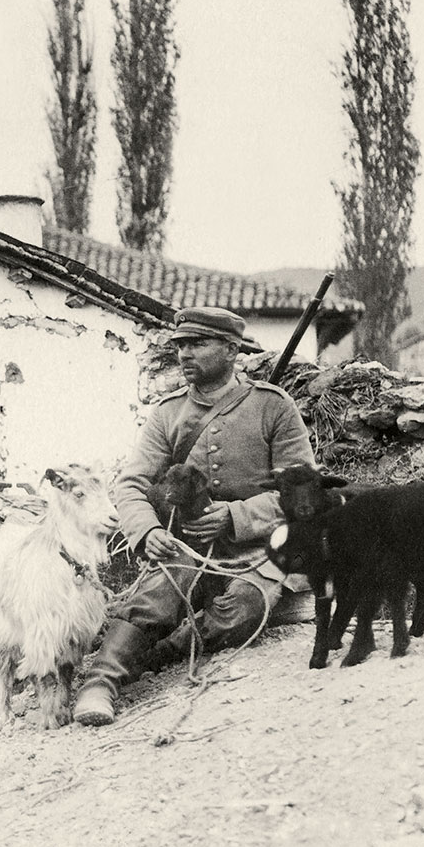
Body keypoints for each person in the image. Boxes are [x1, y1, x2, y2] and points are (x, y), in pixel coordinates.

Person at [72, 307, 315, 726]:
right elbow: (130, 485)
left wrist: (236, 516)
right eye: (181, 345)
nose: (185, 354)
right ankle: (100, 684)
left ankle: (163, 652)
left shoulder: (273, 406)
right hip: (185, 546)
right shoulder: (167, 414)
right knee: (155, 598)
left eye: (197, 344)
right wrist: (147, 531)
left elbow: (303, 491)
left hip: (260, 550)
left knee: (244, 608)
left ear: (231, 350)